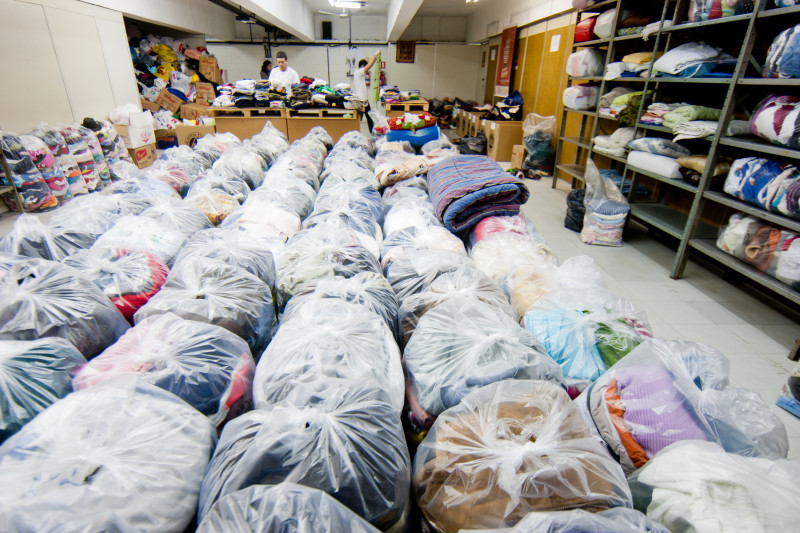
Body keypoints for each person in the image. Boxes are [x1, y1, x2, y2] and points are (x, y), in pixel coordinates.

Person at [353, 51, 379, 132]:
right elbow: (370, 65)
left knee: (369, 117)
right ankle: (355, 132)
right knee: (360, 118)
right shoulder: (359, 72)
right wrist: (375, 55)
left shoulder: (360, 74)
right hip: (361, 100)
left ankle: (371, 133)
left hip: (364, 100)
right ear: (362, 66)